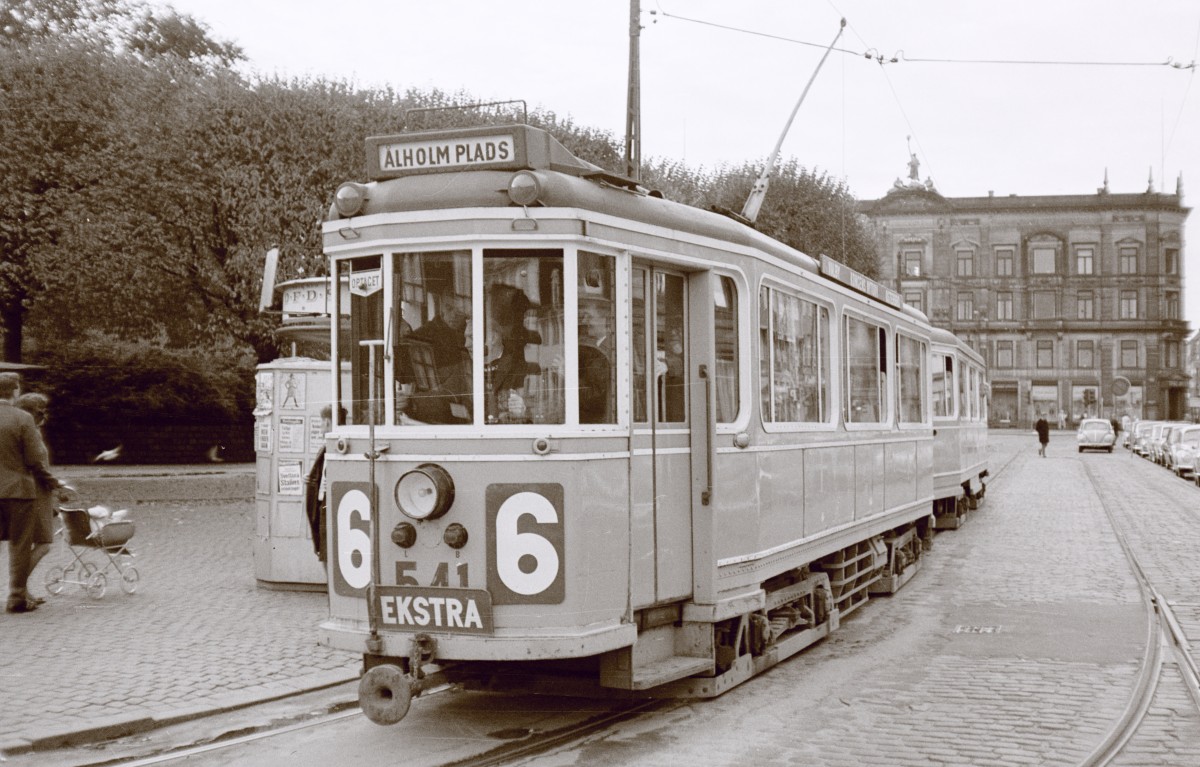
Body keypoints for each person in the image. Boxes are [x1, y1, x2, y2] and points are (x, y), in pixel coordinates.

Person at [0, 373, 61, 613]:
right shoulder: (22, 418)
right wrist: (54, 483)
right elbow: (35, 460)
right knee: (20, 544)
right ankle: (16, 598)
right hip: (18, 491)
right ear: (15, 390)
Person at [14, 392, 61, 587]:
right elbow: (36, 465)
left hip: (38, 493)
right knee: (43, 543)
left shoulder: (30, 431)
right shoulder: (29, 433)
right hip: (35, 493)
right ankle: (19, 587)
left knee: (36, 544)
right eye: (41, 412)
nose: (44, 416)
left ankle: (20, 589)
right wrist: (56, 484)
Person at [578, 296, 614, 424]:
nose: (584, 321)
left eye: (589, 316)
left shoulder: (607, 350)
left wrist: (567, 377)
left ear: (606, 320)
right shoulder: (595, 346)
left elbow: (596, 399)